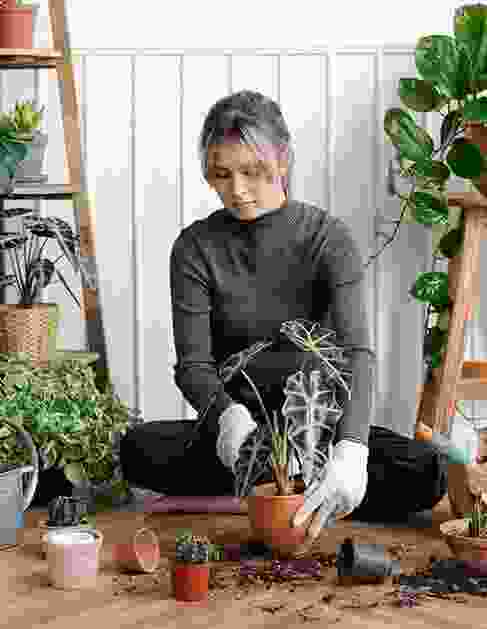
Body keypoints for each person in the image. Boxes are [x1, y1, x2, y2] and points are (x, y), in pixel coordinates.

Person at [119, 89, 449, 543]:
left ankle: (283, 489)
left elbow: (358, 353)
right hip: (238, 434)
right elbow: (193, 366)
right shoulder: (195, 247)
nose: (237, 189)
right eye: (222, 174)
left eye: (252, 171)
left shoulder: (329, 238)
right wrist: (228, 420)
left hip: (318, 426)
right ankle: (286, 488)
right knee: (138, 450)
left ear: (284, 158)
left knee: (425, 472)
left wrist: (351, 449)